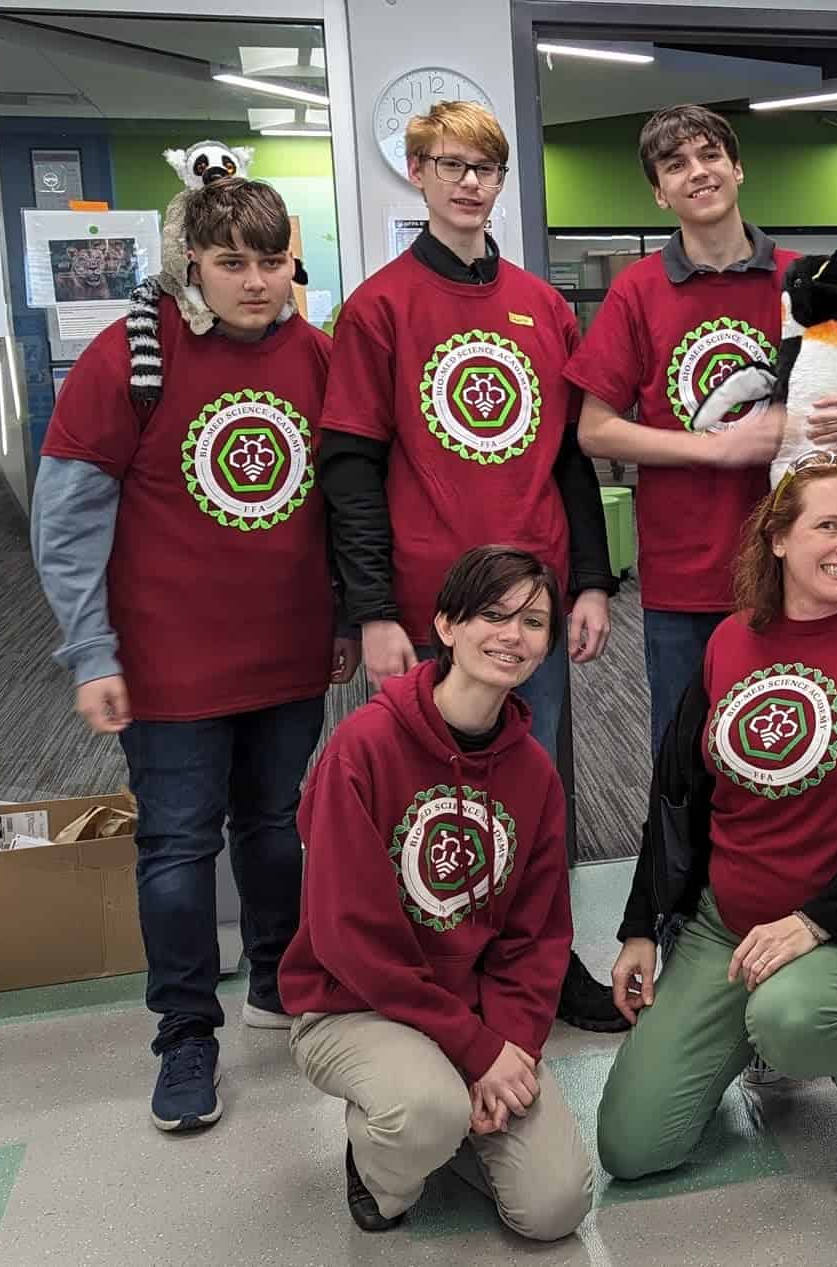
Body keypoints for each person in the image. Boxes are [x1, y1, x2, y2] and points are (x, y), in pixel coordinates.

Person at [32, 177, 353, 1133]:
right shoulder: (129, 358)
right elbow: (68, 517)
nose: (256, 283)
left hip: (288, 653)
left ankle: (276, 976)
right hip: (167, 661)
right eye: (231, 263)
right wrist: (92, 651)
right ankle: (183, 1030)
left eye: (271, 260)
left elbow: (339, 503)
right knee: (177, 845)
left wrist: (341, 618)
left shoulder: (321, 356)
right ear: (191, 267)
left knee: (274, 827)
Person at [316, 100, 624, 1032]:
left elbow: (574, 457)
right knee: (419, 803)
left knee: (538, 792)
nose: (467, 183)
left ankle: (546, 955)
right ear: (417, 172)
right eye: (447, 165)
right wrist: (368, 608)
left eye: (483, 168)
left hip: (533, 602)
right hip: (426, 607)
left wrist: (595, 581)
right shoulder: (376, 308)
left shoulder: (540, 305)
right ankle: (426, 978)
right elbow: (352, 467)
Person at [595, 452, 837, 1202]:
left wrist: (814, 919)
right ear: (777, 537)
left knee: (792, 1013)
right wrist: (641, 925)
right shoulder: (729, 642)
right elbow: (677, 796)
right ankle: (753, 1036)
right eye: (828, 525)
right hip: (725, 929)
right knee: (631, 1145)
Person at [568, 104, 837, 765]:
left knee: (805, 746)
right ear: (659, 192)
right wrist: (716, 447)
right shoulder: (636, 292)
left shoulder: (803, 275)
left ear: (737, 168)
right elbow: (594, 429)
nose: (698, 173)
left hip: (804, 573)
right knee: (689, 757)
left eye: (709, 155)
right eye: (676, 165)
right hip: (685, 576)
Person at [280, 546, 593, 1239]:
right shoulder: (362, 748)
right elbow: (348, 937)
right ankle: (383, 1159)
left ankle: (451, 1117)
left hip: (471, 1009)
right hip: (352, 1005)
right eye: (493, 614)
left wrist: (506, 1047)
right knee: (424, 1111)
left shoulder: (536, 776)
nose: (513, 635)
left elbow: (536, 938)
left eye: (534, 622)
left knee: (555, 1207)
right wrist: (474, 1050)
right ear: (446, 624)